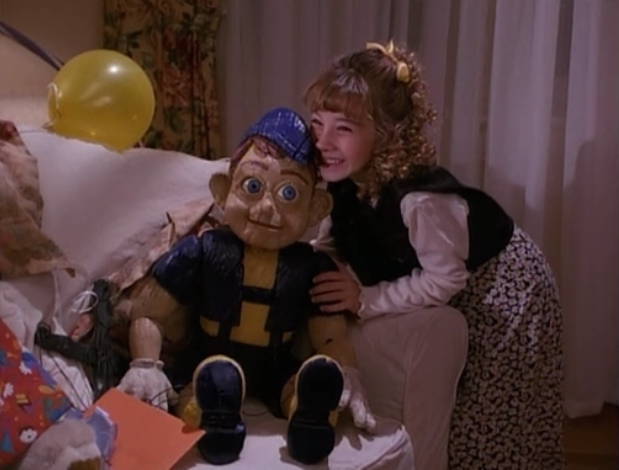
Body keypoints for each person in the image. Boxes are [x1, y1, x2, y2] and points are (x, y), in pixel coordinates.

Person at [304, 40, 564, 469]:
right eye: (317, 124)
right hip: (452, 277)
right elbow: (336, 239)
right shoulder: (344, 182)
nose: (323, 141)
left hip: (502, 289)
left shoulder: (421, 200)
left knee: (488, 421)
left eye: (343, 129)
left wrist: (364, 299)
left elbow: (445, 278)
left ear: (385, 135)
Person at [141, 107, 375, 466]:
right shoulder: (202, 250)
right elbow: (153, 313)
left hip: (276, 366)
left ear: (315, 208)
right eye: (252, 187)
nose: (266, 208)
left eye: (289, 194)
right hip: (208, 356)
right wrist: (144, 363)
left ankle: (308, 416)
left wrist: (348, 371)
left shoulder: (311, 267)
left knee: (304, 382)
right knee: (209, 380)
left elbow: (330, 337)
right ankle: (214, 415)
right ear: (223, 190)